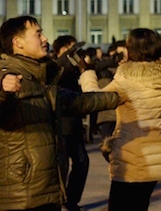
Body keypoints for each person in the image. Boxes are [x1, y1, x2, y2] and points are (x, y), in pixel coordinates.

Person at [0, 16, 119, 211]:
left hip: (47, 191)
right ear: (17, 42)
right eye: (38, 34)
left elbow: (79, 101)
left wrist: (121, 96)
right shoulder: (6, 72)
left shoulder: (40, 77)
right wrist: (3, 89)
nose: (45, 38)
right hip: (19, 195)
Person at [79, 28, 161, 211]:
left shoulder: (126, 78)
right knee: (141, 204)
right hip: (157, 153)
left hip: (132, 154)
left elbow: (94, 100)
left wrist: (87, 74)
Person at [53, 35, 91, 211]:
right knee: (62, 166)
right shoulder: (56, 66)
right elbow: (59, 71)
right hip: (61, 125)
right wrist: (69, 55)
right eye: (70, 49)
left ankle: (71, 200)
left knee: (82, 162)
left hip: (73, 124)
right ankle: (60, 201)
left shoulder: (74, 68)